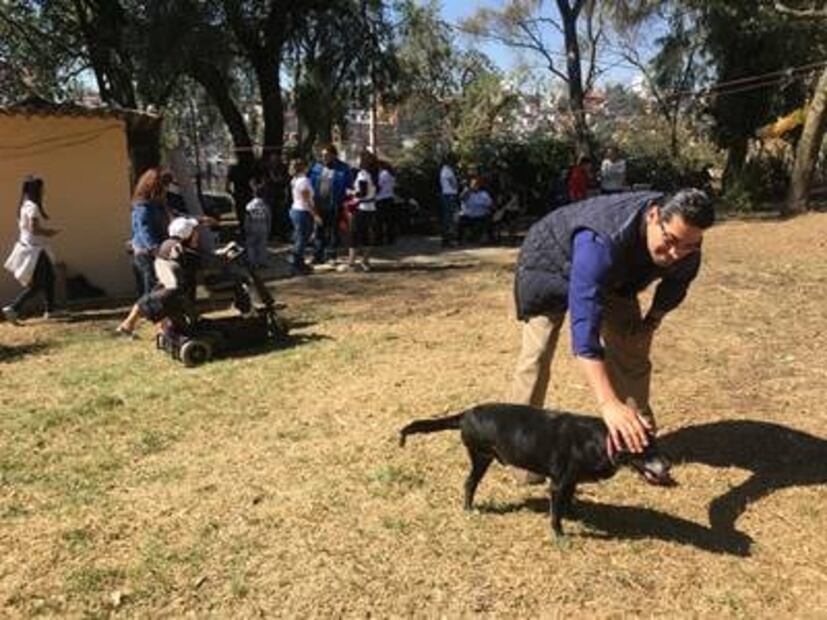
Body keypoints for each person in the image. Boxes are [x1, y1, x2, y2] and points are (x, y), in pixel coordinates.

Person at [508, 189, 714, 480]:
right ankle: (523, 451)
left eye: (690, 246)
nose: (676, 254)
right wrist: (608, 403)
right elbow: (585, 330)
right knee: (537, 356)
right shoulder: (601, 239)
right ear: (654, 216)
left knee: (632, 346)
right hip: (549, 264)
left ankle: (638, 439)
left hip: (616, 276)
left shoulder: (686, 245)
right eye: (670, 242)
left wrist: (650, 322)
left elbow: (676, 285)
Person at [116, 217, 202, 337]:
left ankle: (131, 324)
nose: (198, 233)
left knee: (157, 296)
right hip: (173, 293)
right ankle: (131, 324)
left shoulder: (167, 244)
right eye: (195, 231)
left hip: (166, 286)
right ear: (188, 235)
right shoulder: (182, 251)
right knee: (167, 298)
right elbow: (202, 262)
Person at [3, 176, 61, 322]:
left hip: (34, 248)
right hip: (34, 250)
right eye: (42, 189)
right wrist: (49, 232)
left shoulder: (24, 205)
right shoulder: (32, 207)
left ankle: (50, 310)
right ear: (37, 190)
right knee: (39, 283)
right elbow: (34, 229)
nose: (44, 191)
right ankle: (13, 308)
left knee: (50, 278)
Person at [128, 167, 172, 298]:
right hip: (146, 253)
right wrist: (155, 249)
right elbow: (144, 230)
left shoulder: (159, 205)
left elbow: (173, 216)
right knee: (151, 288)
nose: (166, 189)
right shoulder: (142, 207)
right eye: (165, 185)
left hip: (157, 250)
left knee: (158, 287)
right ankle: (151, 315)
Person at [308, 144, 351, 263]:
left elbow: (349, 185)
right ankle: (318, 255)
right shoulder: (317, 167)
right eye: (322, 155)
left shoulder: (343, 168)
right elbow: (310, 184)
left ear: (334, 155)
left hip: (335, 204)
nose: (324, 157)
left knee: (333, 231)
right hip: (319, 204)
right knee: (319, 230)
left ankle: (331, 255)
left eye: (326, 155)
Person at [338, 150, 379, 272]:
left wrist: (350, 192)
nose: (356, 161)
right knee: (367, 235)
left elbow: (362, 193)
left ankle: (351, 263)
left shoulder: (363, 174)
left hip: (361, 208)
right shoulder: (374, 173)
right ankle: (365, 261)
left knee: (354, 235)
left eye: (358, 159)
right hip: (371, 207)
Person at [288, 159, 321, 276]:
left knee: (300, 237)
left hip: (297, 210)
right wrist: (315, 215)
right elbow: (306, 200)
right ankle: (296, 263)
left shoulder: (295, 179)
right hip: (302, 211)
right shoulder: (304, 181)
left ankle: (298, 262)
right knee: (302, 239)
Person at [457, 175, 494, 244]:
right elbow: (461, 198)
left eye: (476, 184)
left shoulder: (484, 194)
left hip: (480, 215)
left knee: (488, 218)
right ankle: (460, 239)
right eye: (473, 184)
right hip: (468, 215)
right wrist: (466, 190)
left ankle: (488, 238)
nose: (475, 186)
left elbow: (490, 205)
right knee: (461, 218)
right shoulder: (467, 193)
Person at [244, 180, 272, 269]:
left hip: (252, 226)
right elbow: (269, 218)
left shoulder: (249, 206)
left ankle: (253, 262)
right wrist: (269, 228)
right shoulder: (265, 206)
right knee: (262, 245)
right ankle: (262, 261)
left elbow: (247, 218)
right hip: (263, 226)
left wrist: (246, 227)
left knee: (251, 245)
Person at [439, 155, 460, 246]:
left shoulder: (445, 170)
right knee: (449, 218)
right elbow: (453, 183)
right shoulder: (447, 170)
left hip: (447, 194)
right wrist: (457, 186)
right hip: (449, 195)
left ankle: (447, 239)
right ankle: (447, 240)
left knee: (448, 218)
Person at [375, 160, 397, 245]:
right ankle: (391, 239)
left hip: (381, 199)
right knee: (389, 220)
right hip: (390, 198)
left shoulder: (383, 174)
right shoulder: (391, 175)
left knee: (379, 221)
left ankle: (379, 240)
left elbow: (379, 186)